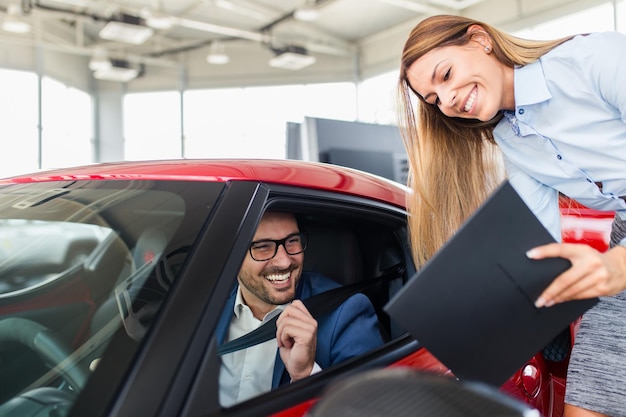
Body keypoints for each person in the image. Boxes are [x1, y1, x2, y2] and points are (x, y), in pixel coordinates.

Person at [397, 14, 626, 417]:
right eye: (434, 99)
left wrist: (619, 263)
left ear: (480, 39)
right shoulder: (511, 139)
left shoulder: (595, 59)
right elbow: (537, 243)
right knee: (587, 401)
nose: (447, 99)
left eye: (446, 74)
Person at [216, 211, 384, 407]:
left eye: (292, 241)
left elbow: (373, 408)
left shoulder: (347, 312)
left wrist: (306, 374)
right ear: (232, 253)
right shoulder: (207, 306)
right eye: (263, 247)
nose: (284, 261)